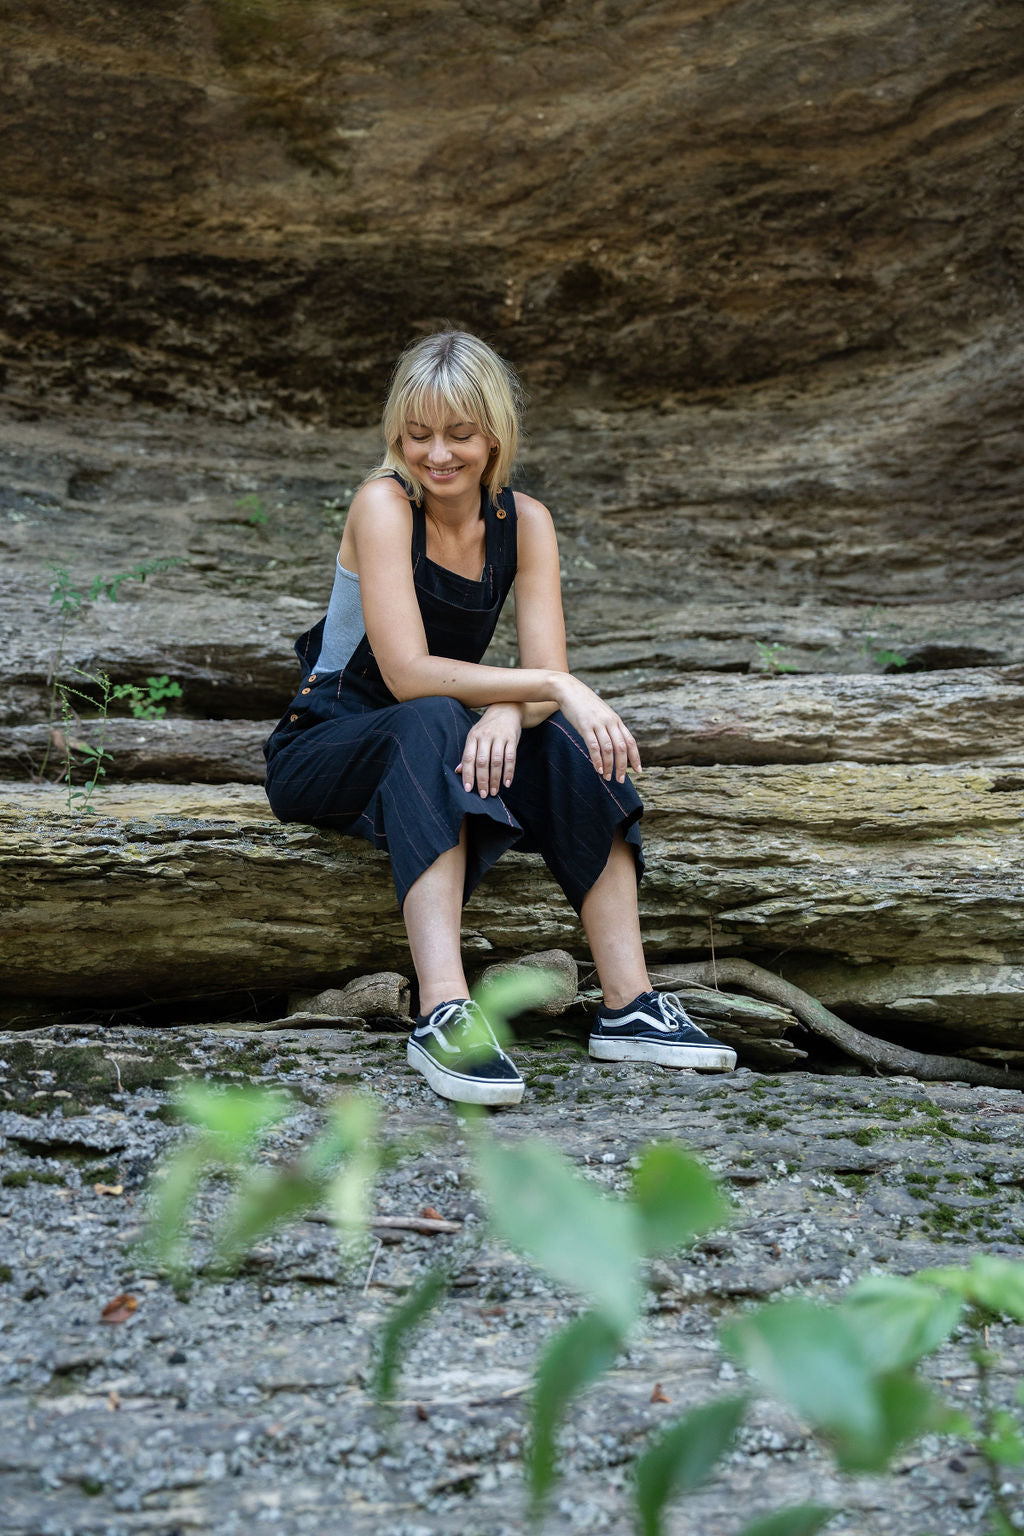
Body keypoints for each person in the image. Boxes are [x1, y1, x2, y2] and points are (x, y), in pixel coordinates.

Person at [263, 331, 736, 1106]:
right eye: (418, 434)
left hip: (442, 728)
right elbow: (407, 674)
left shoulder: (527, 523)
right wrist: (545, 684)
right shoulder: (384, 505)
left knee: (563, 742)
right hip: (326, 743)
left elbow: (543, 689)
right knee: (434, 719)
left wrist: (515, 710)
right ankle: (445, 1011)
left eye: (459, 434)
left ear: (494, 435)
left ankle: (630, 1005)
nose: (436, 454)